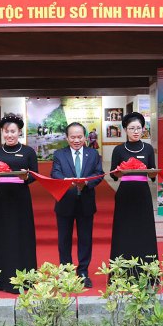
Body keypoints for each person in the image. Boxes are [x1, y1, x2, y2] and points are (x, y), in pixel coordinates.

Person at [0, 114, 38, 293]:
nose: (9, 135)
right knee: (1, 235)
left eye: (13, 131)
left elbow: (35, 175)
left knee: (22, 235)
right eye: (6, 131)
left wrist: (25, 176)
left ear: (19, 132)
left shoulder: (28, 152)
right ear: (2, 132)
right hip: (1, 198)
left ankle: (25, 278)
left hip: (21, 198)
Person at [50, 123, 104, 288]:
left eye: (79, 137)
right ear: (67, 138)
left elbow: (99, 173)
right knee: (64, 240)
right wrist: (66, 181)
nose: (76, 140)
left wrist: (87, 182)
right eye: (72, 137)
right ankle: (66, 273)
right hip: (65, 202)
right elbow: (55, 172)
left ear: (85, 137)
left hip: (86, 202)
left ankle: (83, 272)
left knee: (85, 239)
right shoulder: (59, 154)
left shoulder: (93, 153)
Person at [109, 112, 158, 265]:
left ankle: (147, 268)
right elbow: (113, 175)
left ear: (143, 129)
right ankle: (122, 268)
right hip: (125, 193)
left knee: (144, 229)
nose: (136, 131)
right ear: (125, 129)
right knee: (124, 230)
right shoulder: (118, 150)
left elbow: (152, 174)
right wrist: (117, 173)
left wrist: (152, 173)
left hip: (143, 193)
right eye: (132, 128)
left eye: (139, 128)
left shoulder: (148, 149)